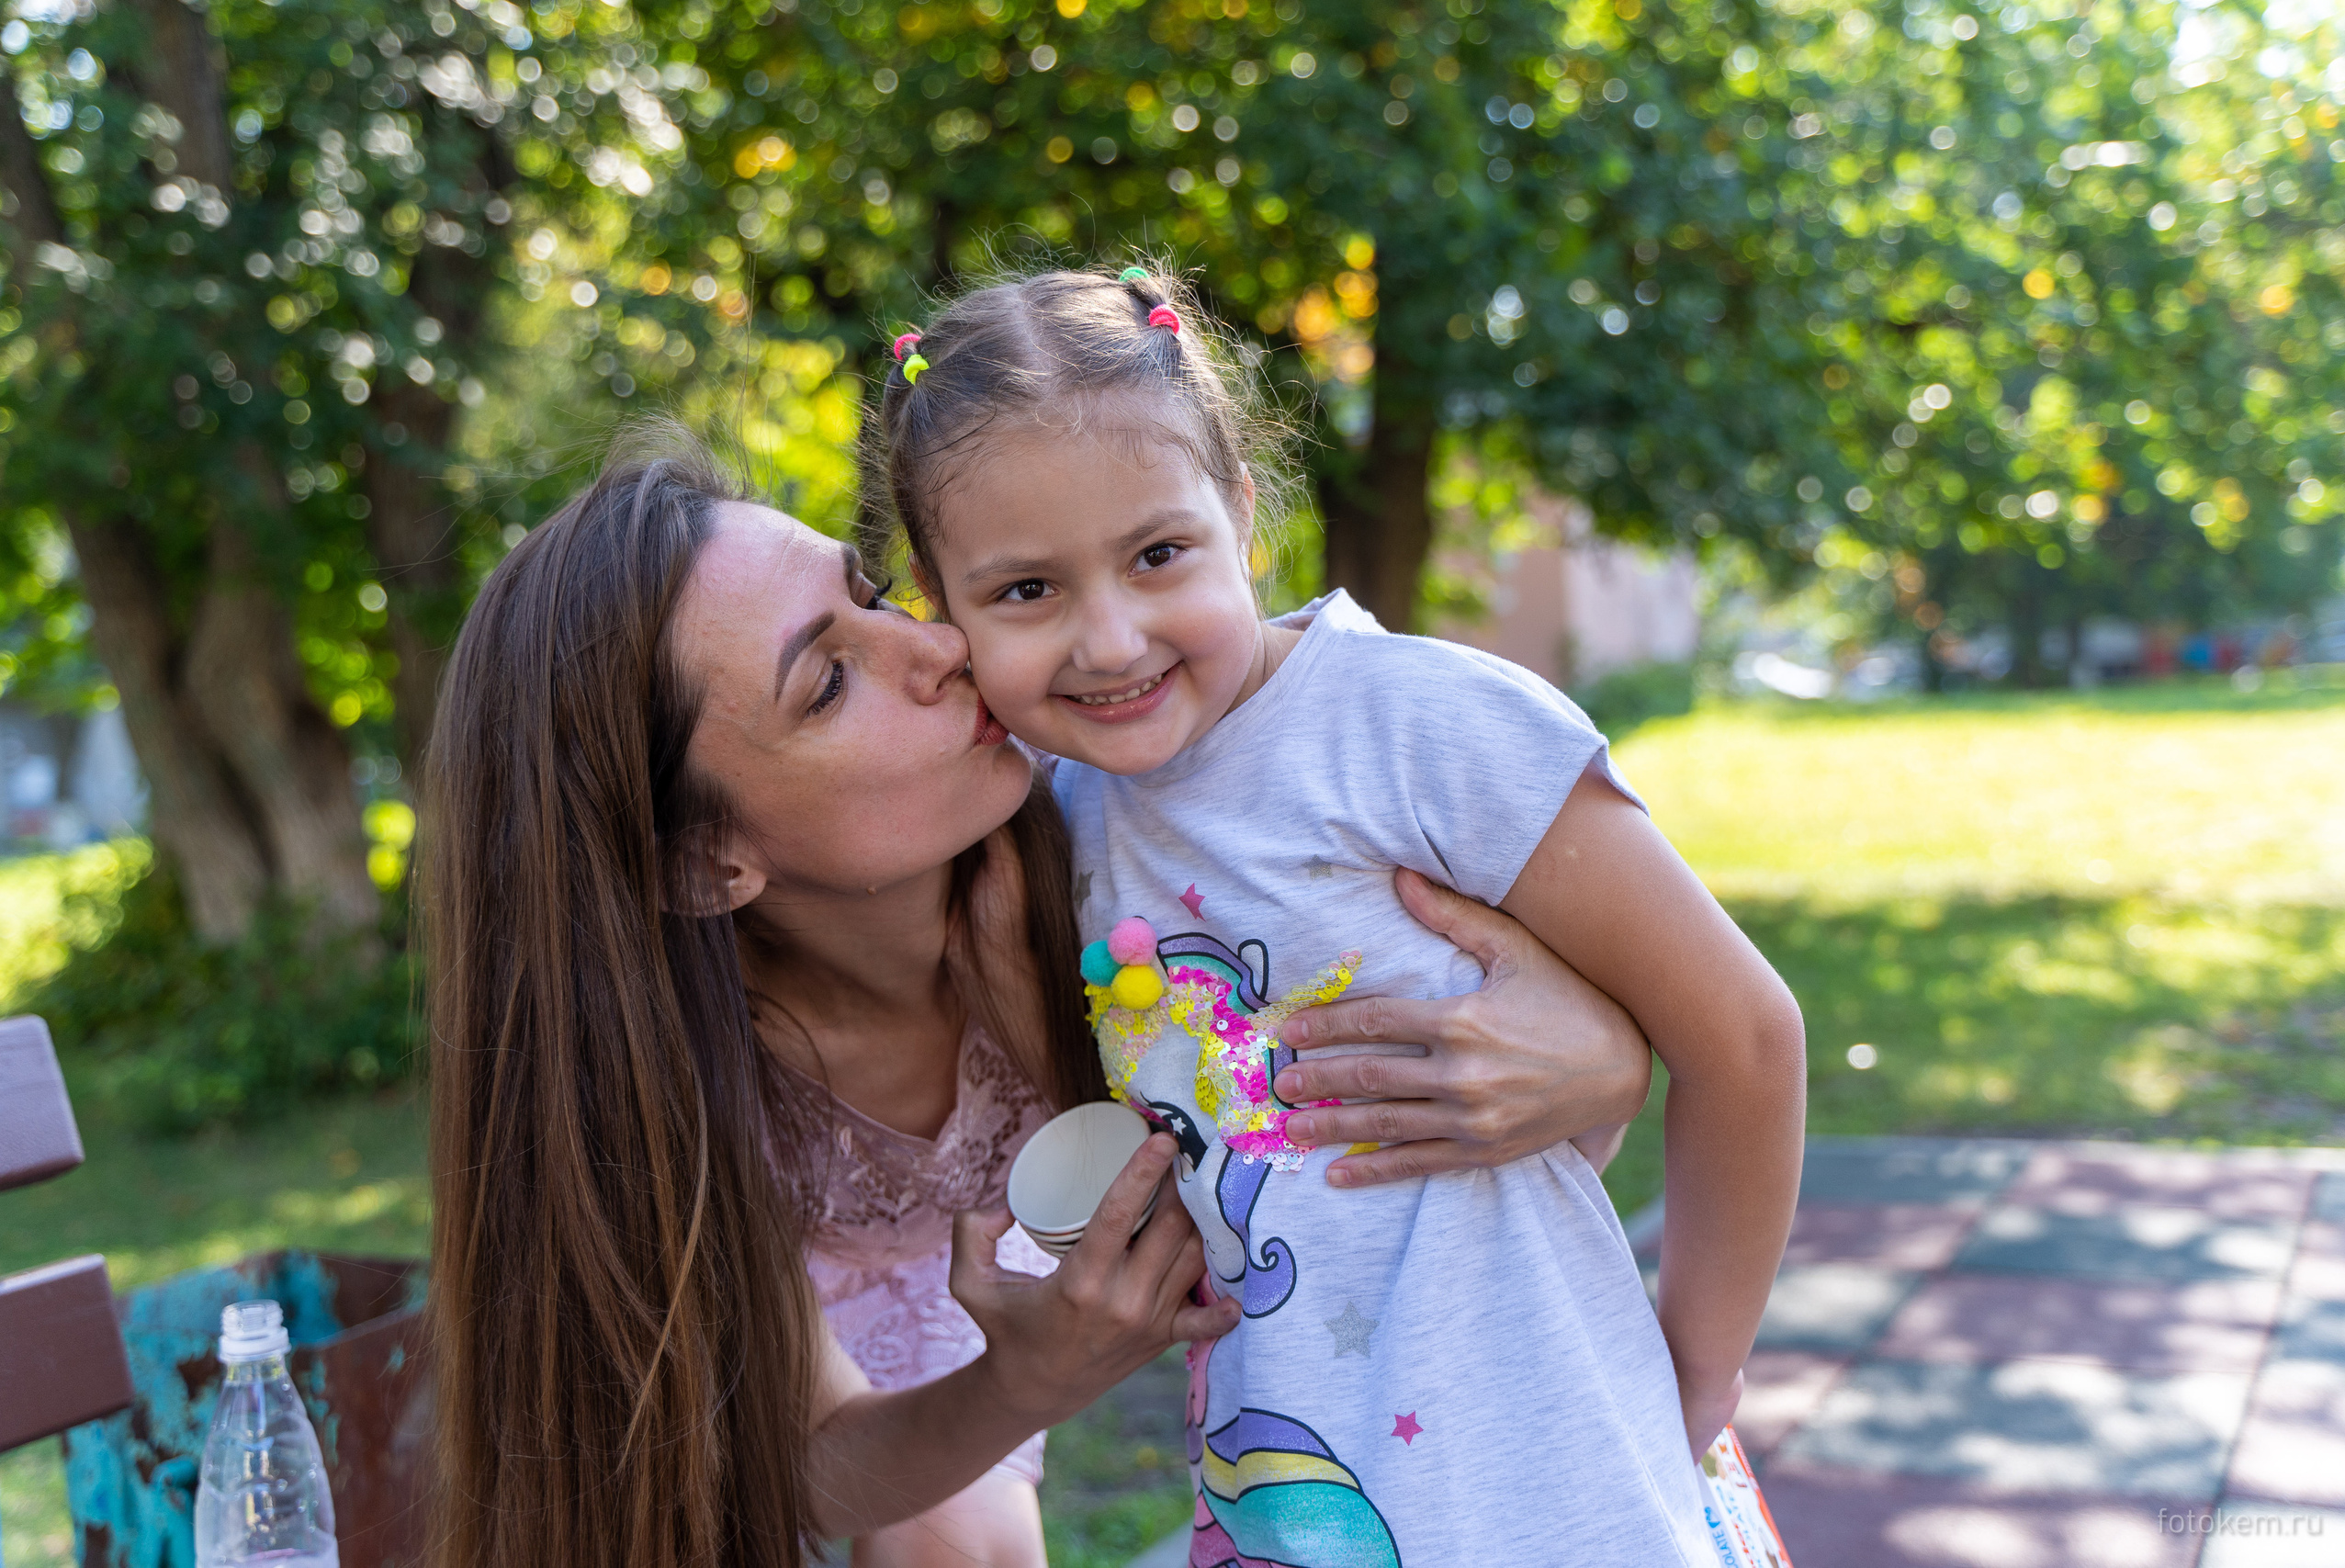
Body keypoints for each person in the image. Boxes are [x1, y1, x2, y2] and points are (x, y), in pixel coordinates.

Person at [422, 434, 1660, 1568]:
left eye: (867, 594)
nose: (939, 645)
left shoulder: (1128, 842)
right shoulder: (676, 1077)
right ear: (704, 862)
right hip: (865, 1286)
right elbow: (807, 1465)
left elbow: (1395, 1057)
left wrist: (1605, 1058)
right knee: (952, 1547)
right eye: (828, 683)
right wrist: (1017, 1388)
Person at [863, 265, 1808, 1565]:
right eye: (1025, 591)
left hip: (1562, 1470)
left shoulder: (1422, 728)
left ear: (1242, 514)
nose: (1112, 639)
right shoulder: (1050, 823)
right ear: (942, 605)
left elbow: (1747, 1040)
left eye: (1158, 555)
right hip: (1293, 1492)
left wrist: (1699, 1375)